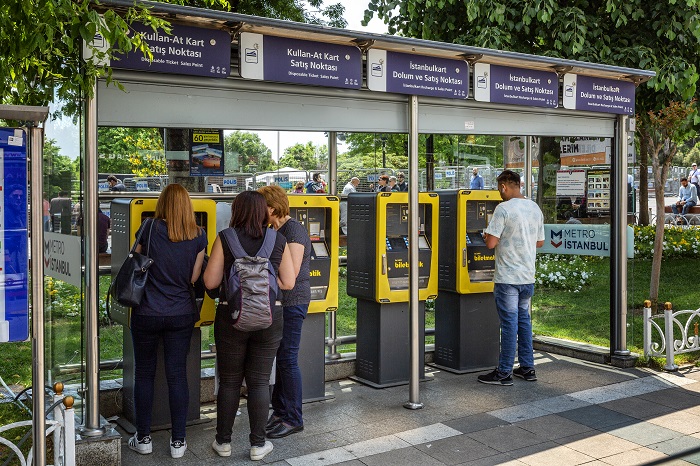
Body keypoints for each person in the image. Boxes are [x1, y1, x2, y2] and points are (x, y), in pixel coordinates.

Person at [204, 191, 295, 461]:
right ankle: (258, 444)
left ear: (237, 211)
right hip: (269, 319)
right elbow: (288, 282)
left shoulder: (226, 238)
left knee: (230, 381)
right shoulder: (277, 239)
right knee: (258, 382)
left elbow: (210, 282)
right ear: (262, 212)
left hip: (231, 317)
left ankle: (223, 442)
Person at [127, 183, 207, 459]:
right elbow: (194, 278)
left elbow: (135, 262)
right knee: (177, 376)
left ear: (161, 204)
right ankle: (178, 442)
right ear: (187, 206)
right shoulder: (199, 234)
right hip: (181, 312)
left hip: (146, 312)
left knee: (144, 374)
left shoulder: (148, 227)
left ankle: (144, 438)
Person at [479, 170, 544, 386]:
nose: (499, 193)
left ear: (505, 186)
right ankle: (527, 368)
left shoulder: (503, 209)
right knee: (523, 322)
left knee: (508, 325)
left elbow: (490, 243)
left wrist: (486, 234)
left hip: (508, 278)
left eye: (500, 188)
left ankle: (504, 372)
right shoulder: (534, 208)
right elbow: (539, 242)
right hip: (527, 277)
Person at [258, 185, 312, 439]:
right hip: (281, 302)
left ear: (271, 207)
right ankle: (281, 411)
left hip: (293, 301)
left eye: (260, 206)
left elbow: (292, 272)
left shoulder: (294, 231)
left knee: (288, 358)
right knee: (281, 357)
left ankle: (293, 418)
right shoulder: (274, 229)